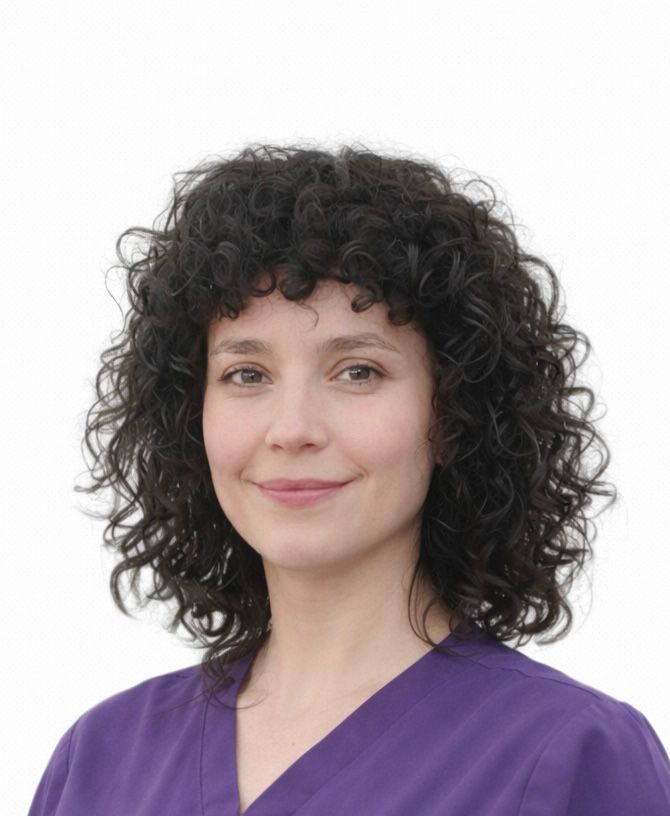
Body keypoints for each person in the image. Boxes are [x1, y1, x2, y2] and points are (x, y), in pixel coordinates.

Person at [28, 143, 670, 815]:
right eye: (246, 374)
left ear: (452, 412)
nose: (292, 429)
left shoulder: (569, 754)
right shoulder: (101, 759)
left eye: (358, 371)